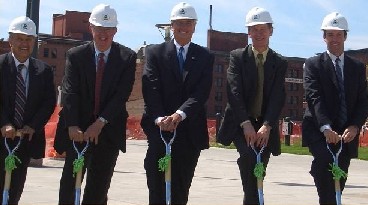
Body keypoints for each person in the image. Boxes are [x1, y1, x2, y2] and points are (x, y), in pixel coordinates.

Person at [54, 4, 136, 204]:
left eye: (108, 29)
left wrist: (99, 124)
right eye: (99, 28)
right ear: (91, 28)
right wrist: (73, 125)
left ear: (115, 30)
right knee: (69, 186)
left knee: (98, 189)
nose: (103, 34)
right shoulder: (76, 55)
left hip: (107, 133)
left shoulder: (127, 58)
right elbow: (70, 91)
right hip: (77, 133)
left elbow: (120, 95)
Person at [141, 2, 214, 205]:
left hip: (189, 135)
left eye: (188, 23)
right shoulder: (155, 53)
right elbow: (151, 88)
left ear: (194, 26)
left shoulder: (204, 56)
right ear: (171, 25)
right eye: (179, 23)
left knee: (180, 192)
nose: (183, 27)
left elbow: (200, 93)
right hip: (159, 132)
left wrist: (179, 115)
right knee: (157, 189)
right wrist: (159, 118)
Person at [217, 7, 287, 205]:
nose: (258, 33)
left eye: (263, 29)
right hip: (241, 123)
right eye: (254, 29)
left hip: (265, 125)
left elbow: (277, 96)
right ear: (248, 32)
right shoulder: (238, 57)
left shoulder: (279, 62)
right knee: (248, 156)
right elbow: (234, 92)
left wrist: (267, 125)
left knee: (260, 164)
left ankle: (252, 199)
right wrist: (246, 123)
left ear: (270, 31)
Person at [302, 12, 368, 204]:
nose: (335, 39)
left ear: (345, 36)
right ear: (324, 37)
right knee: (324, 164)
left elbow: (363, 101)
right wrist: (326, 127)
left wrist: (355, 126)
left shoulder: (356, 67)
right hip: (319, 129)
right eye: (330, 34)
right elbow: (314, 97)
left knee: (340, 175)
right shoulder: (313, 64)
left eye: (339, 34)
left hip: (346, 133)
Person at [0, 16, 56, 204]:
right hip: (1, 136)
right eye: (20, 38)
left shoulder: (44, 71)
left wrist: (33, 125)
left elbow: (49, 102)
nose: (24, 43)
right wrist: (4, 123)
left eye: (29, 39)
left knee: (14, 189)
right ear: (10, 40)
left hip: (24, 141)